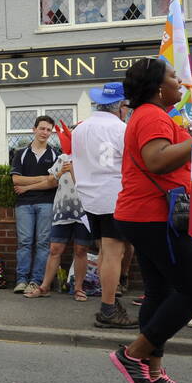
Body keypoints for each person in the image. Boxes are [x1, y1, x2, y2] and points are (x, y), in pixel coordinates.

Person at [106, 58, 192, 383]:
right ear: (156, 85)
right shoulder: (151, 116)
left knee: (160, 293)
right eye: (172, 76)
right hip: (154, 217)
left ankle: (152, 372)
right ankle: (132, 354)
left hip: (145, 215)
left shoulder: (152, 115)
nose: (179, 81)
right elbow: (157, 159)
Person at [72, 82, 137, 328]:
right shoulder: (122, 129)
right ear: (121, 106)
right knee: (113, 254)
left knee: (103, 253)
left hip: (89, 197)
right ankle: (108, 308)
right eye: (127, 106)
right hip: (114, 196)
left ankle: (108, 302)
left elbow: (76, 163)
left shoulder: (80, 128)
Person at [10, 116, 59, 296]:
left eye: (48, 130)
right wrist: (43, 178)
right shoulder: (20, 153)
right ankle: (21, 280)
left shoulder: (55, 154)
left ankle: (36, 281)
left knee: (43, 243)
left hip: (47, 203)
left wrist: (28, 185)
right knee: (24, 242)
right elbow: (16, 179)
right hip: (24, 204)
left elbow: (54, 182)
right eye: (42, 128)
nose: (45, 132)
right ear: (34, 129)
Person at [37, 155, 92, 301]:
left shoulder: (89, 157)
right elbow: (51, 181)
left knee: (81, 250)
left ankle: (79, 289)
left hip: (83, 210)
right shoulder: (63, 158)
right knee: (55, 249)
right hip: (62, 209)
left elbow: (87, 184)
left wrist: (73, 170)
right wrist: (60, 172)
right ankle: (44, 287)